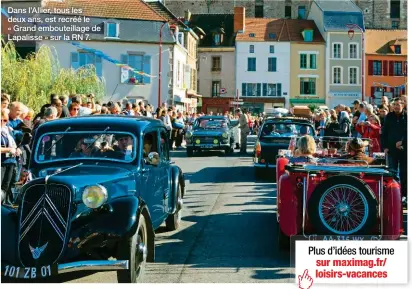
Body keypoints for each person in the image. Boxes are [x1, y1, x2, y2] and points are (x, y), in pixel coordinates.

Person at [381, 98, 407, 204]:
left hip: (405, 150)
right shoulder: (389, 116)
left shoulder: (407, 117)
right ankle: (395, 194)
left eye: (398, 104)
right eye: (395, 104)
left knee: (404, 173)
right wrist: (385, 147)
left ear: (403, 105)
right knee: (392, 173)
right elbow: (384, 133)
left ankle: (405, 195)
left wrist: (403, 141)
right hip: (391, 150)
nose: (396, 106)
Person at [1, 109, 21, 204]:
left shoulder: (7, 130)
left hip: (10, 161)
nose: (2, 122)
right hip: (2, 163)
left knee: (6, 186)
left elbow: (13, 144)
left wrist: (17, 149)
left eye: (4, 120)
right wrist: (8, 150)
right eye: (0, 120)